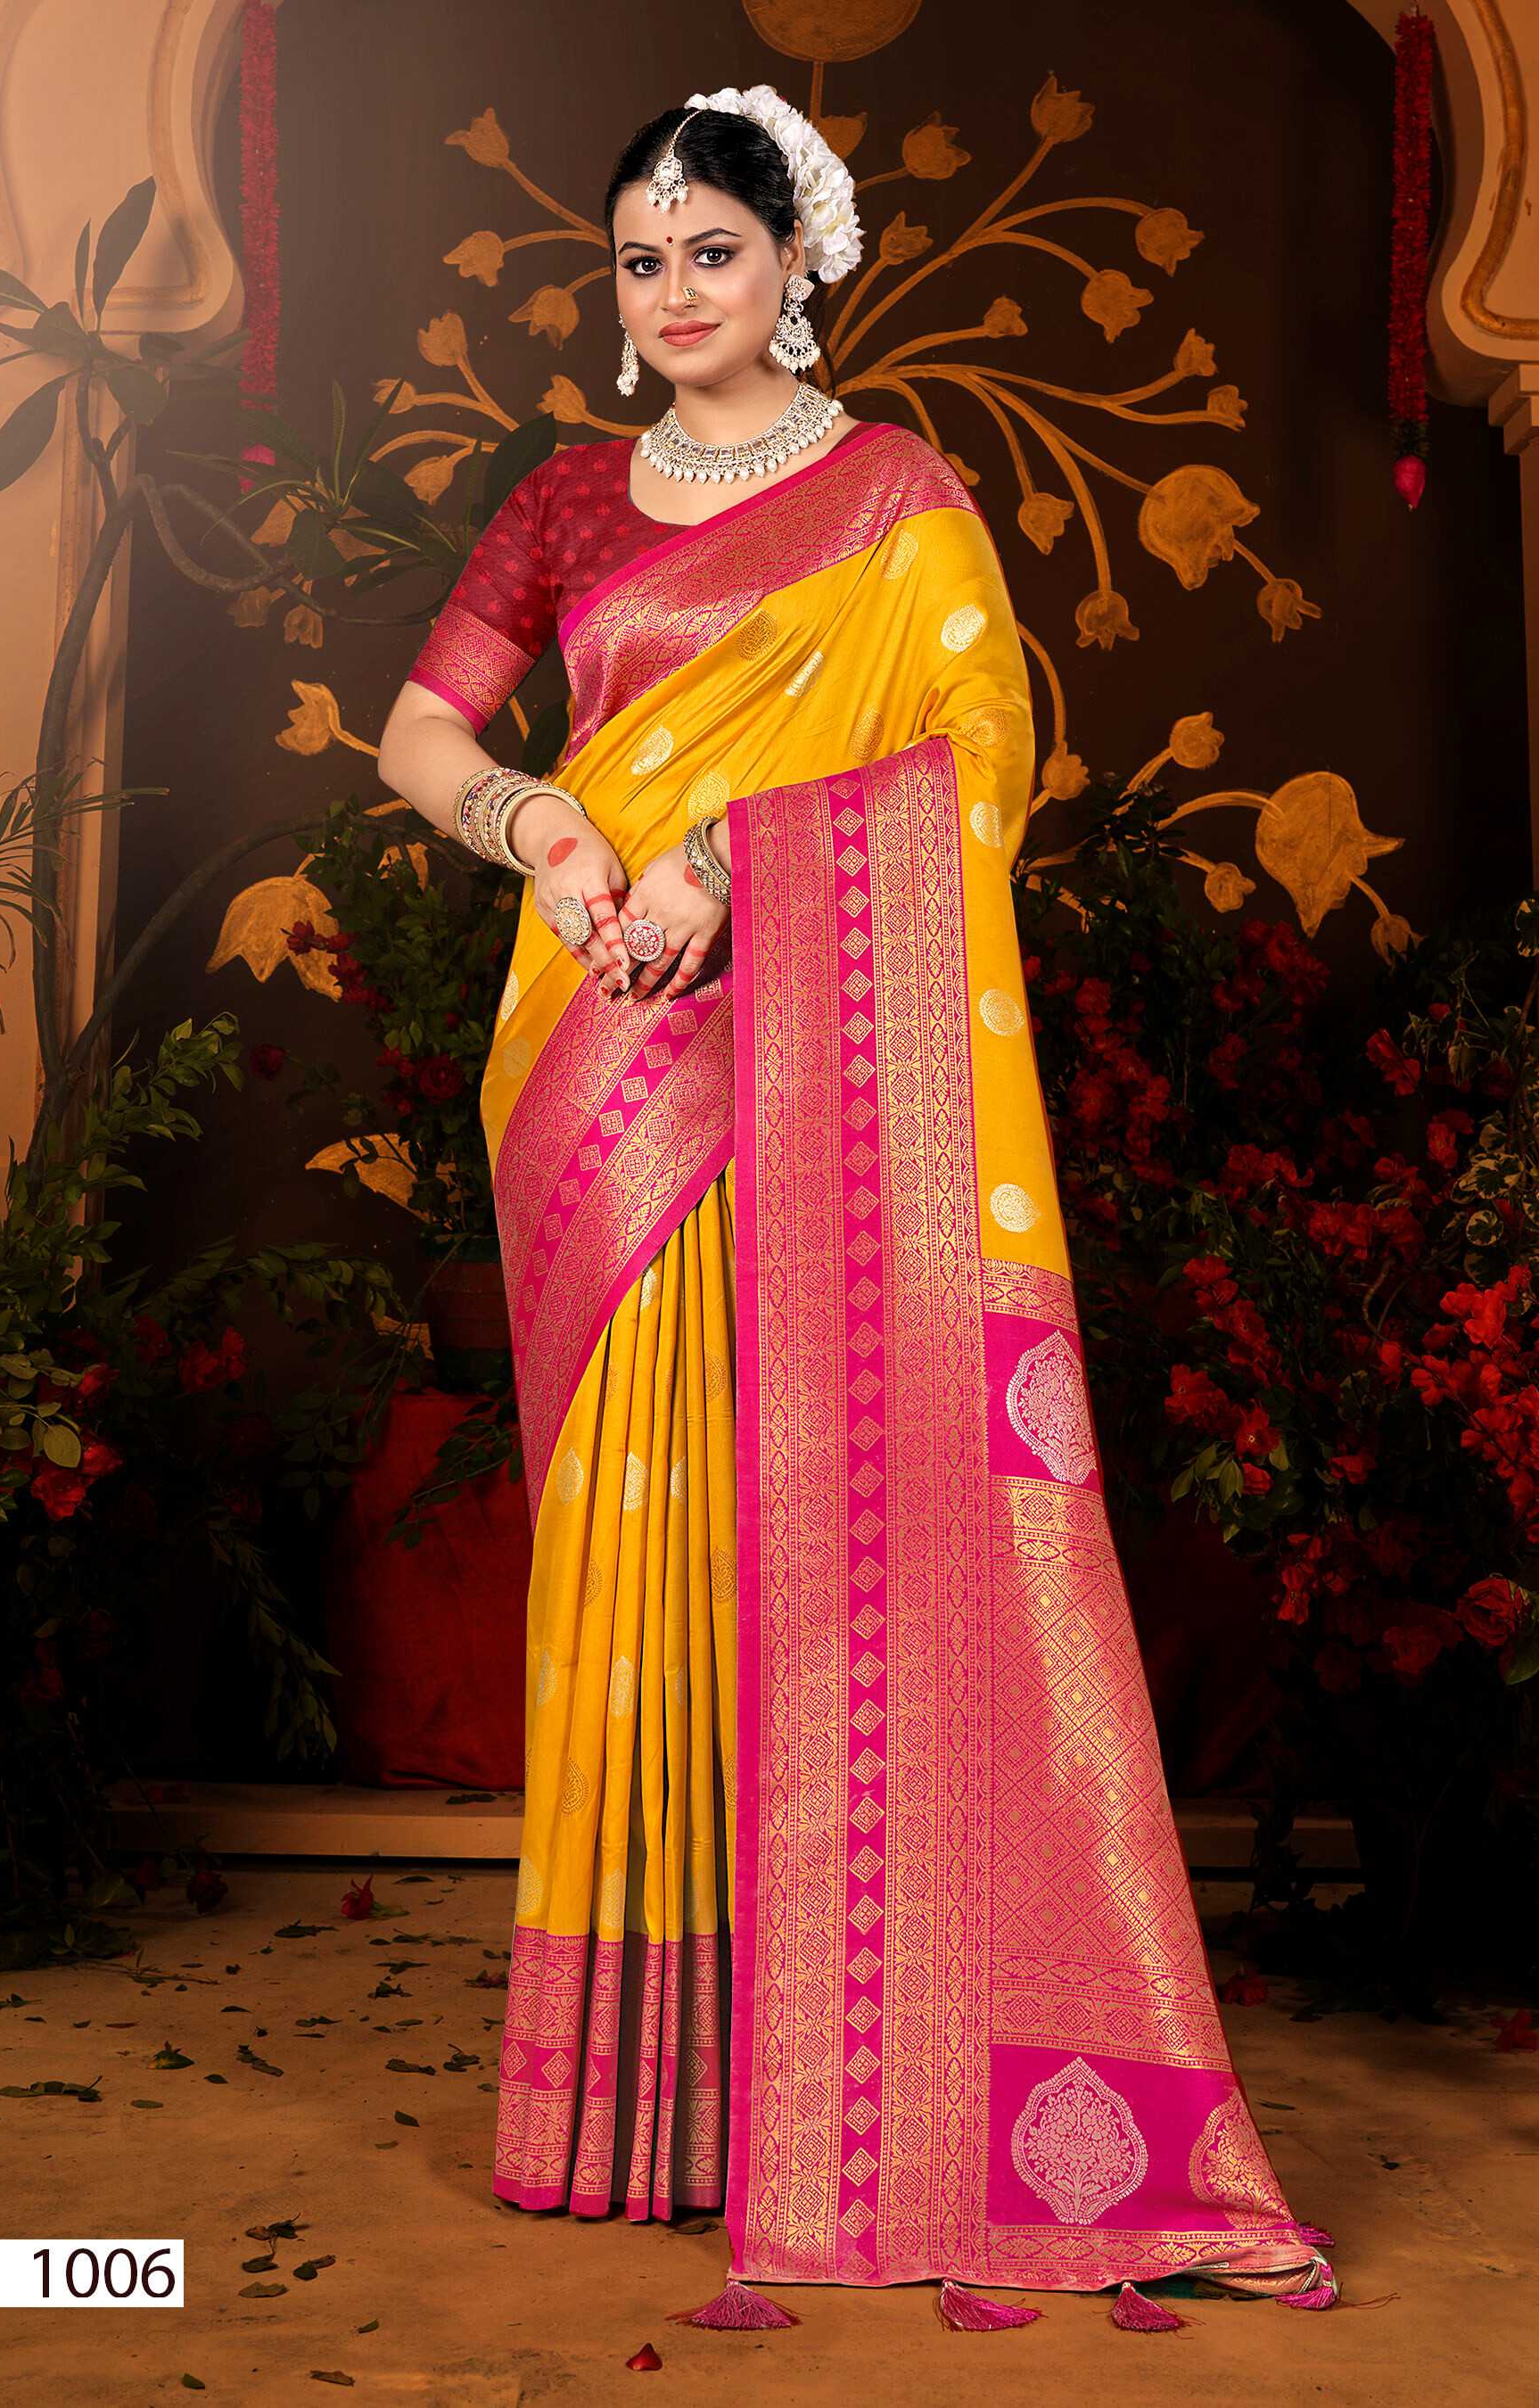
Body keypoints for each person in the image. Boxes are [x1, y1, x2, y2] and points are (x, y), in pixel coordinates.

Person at [375, 84, 1339, 2324]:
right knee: (639, 1543)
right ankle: (647, 2102)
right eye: (641, 260)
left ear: (795, 257)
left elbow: (986, 756)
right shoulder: (563, 499)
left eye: (712, 249)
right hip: (607, 1063)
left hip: (811, 1055)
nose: (673, 291)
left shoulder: (898, 495)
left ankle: (848, 2080)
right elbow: (422, 736)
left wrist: (740, 861)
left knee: (815, 1527)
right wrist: (547, 830)